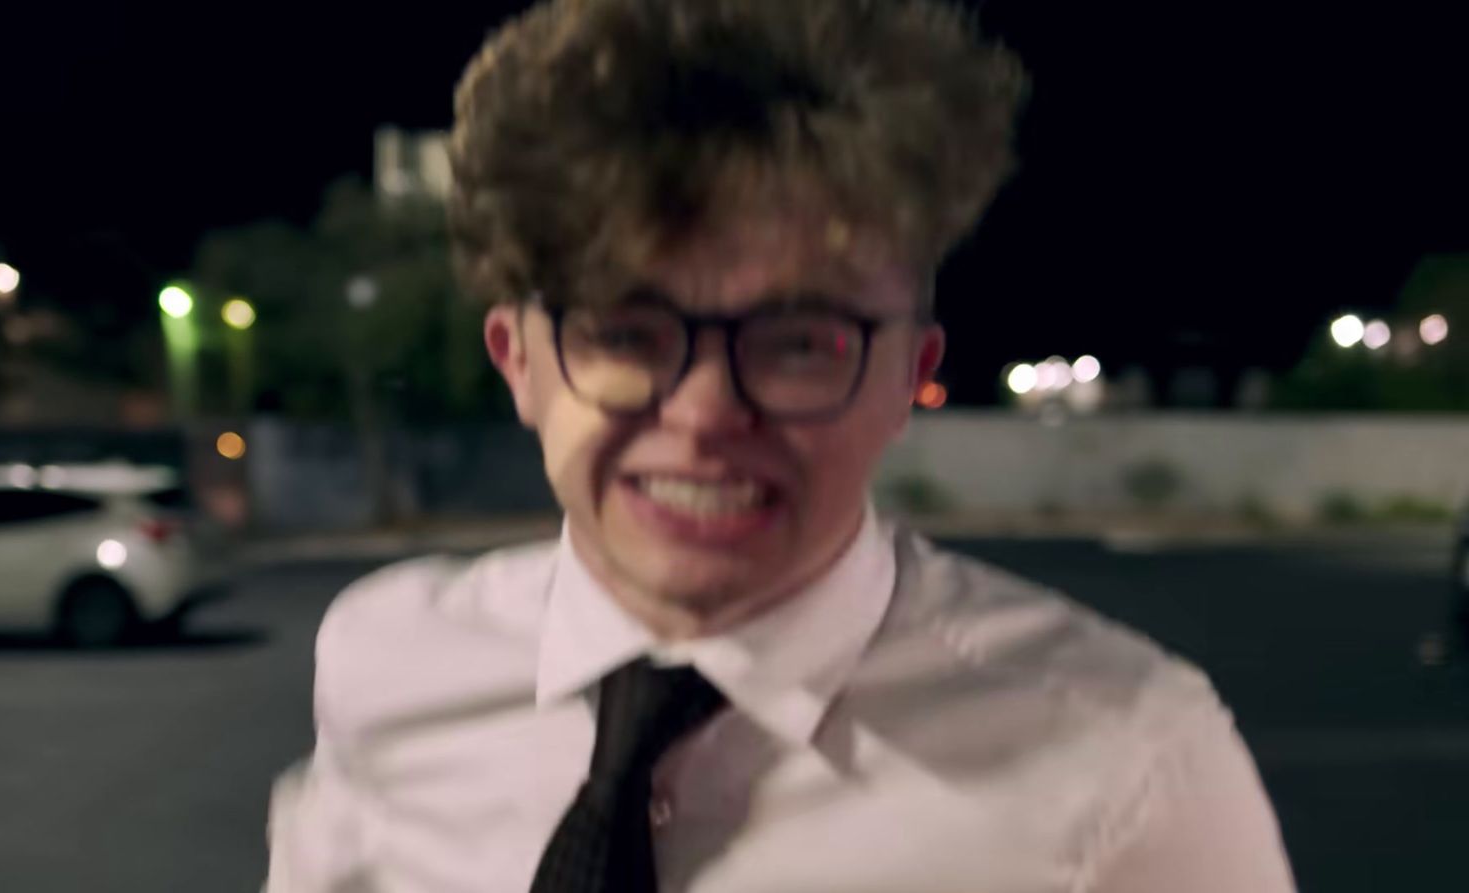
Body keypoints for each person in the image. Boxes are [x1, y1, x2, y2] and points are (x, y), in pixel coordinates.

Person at [266, 1, 1298, 890]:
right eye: (626, 332)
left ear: (908, 376)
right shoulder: (389, 663)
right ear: (517, 360)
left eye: (800, 342)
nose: (707, 411)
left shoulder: (1128, 760)